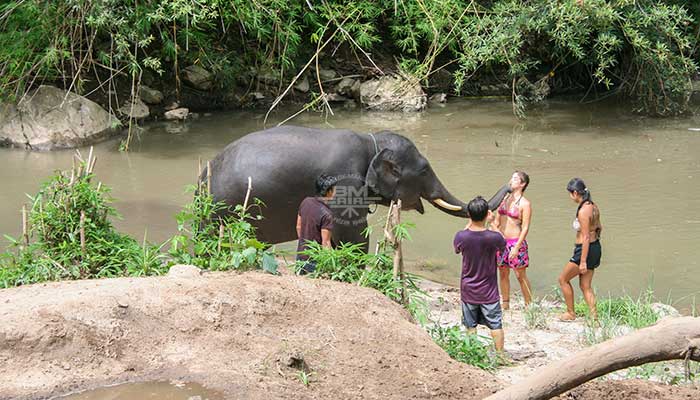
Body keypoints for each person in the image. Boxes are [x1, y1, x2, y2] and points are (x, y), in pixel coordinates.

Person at [453, 196, 506, 352]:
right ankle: (500, 355)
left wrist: (471, 220)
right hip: (489, 291)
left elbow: (458, 247)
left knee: (470, 325)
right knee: (495, 324)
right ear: (486, 214)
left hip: (468, 289)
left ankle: (473, 353)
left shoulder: (461, 236)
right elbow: (503, 243)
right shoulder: (493, 237)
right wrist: (492, 223)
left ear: (469, 215)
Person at [558, 178, 602, 321]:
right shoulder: (593, 206)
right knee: (585, 286)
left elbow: (586, 237)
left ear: (576, 193)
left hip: (584, 250)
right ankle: (594, 318)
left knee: (563, 279)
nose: (571, 197)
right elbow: (599, 228)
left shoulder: (583, 211)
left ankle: (570, 313)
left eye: (571, 194)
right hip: (595, 248)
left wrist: (582, 261)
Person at [493, 171, 533, 310]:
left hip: (516, 241)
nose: (511, 180)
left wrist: (517, 247)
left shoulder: (525, 203)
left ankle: (529, 304)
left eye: (515, 178)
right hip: (501, 242)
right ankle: (505, 304)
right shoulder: (503, 199)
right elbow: (496, 221)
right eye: (512, 177)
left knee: (520, 275)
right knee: (503, 273)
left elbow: (526, 227)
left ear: (523, 184)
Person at [296, 174, 337, 274]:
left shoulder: (305, 201)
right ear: (329, 192)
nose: (335, 192)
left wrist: (304, 245)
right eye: (335, 189)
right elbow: (326, 243)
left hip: (301, 255)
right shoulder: (327, 214)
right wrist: (333, 265)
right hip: (315, 260)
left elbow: (298, 226)